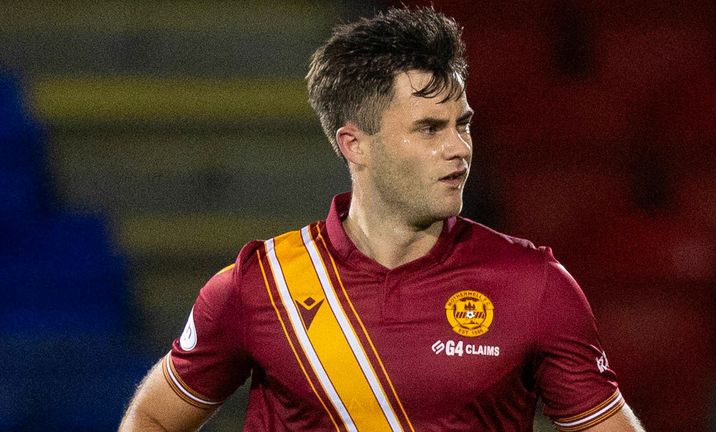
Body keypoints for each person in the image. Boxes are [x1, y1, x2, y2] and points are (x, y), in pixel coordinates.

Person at [120, 6, 644, 432]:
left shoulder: (533, 284)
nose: (459, 149)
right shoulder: (260, 285)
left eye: (462, 125)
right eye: (429, 129)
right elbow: (153, 420)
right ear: (354, 144)